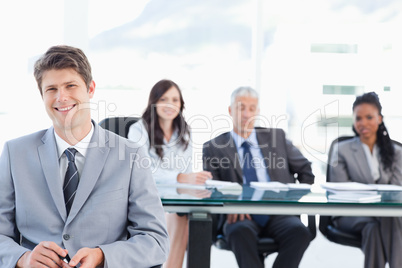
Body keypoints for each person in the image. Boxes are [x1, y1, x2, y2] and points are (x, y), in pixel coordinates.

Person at [0, 45, 169, 268]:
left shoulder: (130, 155)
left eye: (71, 86)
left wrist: (103, 256)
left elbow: (155, 242)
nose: (61, 97)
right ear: (41, 95)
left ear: (90, 89)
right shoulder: (16, 153)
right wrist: (23, 258)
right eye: (51, 89)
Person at [202, 86, 315, 268]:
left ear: (258, 112)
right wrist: (230, 206)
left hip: (278, 211)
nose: (246, 114)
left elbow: (306, 171)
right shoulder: (214, 147)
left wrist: (290, 201)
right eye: (241, 107)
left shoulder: (276, 137)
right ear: (230, 110)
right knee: (239, 232)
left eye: (252, 108)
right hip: (240, 215)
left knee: (299, 232)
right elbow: (211, 187)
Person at [127, 79, 212, 268]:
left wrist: (194, 180)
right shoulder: (138, 130)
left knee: (190, 216)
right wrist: (181, 178)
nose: (170, 105)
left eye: (175, 100)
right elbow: (142, 172)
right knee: (180, 216)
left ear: (181, 104)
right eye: (164, 99)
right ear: (154, 102)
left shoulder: (184, 132)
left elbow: (186, 171)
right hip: (143, 199)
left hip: (174, 201)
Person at [328, 92, 402, 268]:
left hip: (385, 215)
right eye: (358, 118)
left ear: (379, 118)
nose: (363, 123)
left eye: (369, 117)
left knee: (374, 228)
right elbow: (340, 191)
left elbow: (398, 190)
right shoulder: (341, 150)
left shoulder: (396, 151)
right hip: (351, 213)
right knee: (388, 221)